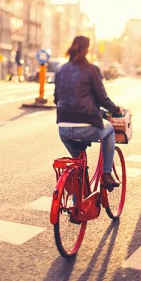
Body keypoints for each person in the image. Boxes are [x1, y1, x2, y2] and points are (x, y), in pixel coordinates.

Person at [54, 36, 123, 190]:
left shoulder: (60, 70)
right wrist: (115, 109)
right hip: (86, 127)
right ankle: (106, 174)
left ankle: (77, 201)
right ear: (88, 49)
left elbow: (56, 99)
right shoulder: (91, 69)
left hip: (63, 128)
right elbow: (102, 99)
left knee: (78, 164)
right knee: (109, 130)